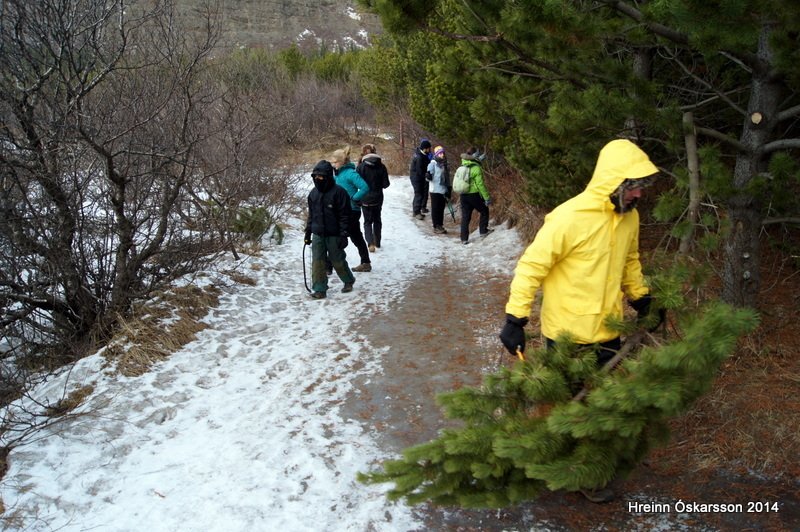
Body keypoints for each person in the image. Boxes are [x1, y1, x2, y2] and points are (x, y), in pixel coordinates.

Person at [498, 139, 663, 503]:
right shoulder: (569, 218)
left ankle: (591, 466)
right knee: (570, 406)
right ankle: (571, 468)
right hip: (568, 334)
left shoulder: (628, 218)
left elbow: (630, 260)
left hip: (608, 330)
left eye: (640, 187)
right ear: (615, 183)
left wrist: (641, 298)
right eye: (633, 186)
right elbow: (531, 267)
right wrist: (515, 318)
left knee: (599, 404)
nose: (638, 194)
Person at [304, 160, 356, 299]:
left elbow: (345, 216)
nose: (318, 179)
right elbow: (311, 215)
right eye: (315, 176)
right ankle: (320, 289)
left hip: (334, 234)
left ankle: (348, 280)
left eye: (321, 176)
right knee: (317, 262)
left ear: (328, 176)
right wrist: (308, 232)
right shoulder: (313, 194)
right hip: (318, 234)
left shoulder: (339, 193)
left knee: (337, 260)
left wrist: (344, 234)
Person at [331, 146, 372, 272]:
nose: (333, 164)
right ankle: (365, 262)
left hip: (351, 211)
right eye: (332, 162)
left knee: (340, 237)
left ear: (342, 161)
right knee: (356, 237)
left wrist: (354, 198)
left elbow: (365, 187)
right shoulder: (337, 175)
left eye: (335, 162)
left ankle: (330, 265)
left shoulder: (350, 173)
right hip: (341, 211)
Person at [356, 143, 391, 252]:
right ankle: (378, 242)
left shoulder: (360, 167)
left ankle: (370, 243)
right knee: (377, 220)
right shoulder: (381, 166)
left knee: (367, 221)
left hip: (365, 198)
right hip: (378, 198)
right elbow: (386, 184)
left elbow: (356, 184)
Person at [458, 147, 492, 244]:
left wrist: (479, 160)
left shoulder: (462, 165)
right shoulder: (476, 168)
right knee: (484, 210)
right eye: (478, 154)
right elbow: (480, 185)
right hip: (473, 195)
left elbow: (473, 163)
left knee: (465, 216)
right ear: (475, 156)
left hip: (463, 195)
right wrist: (487, 198)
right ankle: (483, 231)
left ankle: (464, 239)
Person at [426, 145, 451, 234]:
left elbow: (447, 178)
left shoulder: (445, 164)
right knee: (436, 208)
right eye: (440, 153)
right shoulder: (432, 164)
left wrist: (449, 189)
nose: (442, 155)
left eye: (443, 153)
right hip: (435, 190)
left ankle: (440, 225)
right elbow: (428, 177)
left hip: (443, 190)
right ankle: (436, 226)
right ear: (436, 154)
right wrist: (428, 176)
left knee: (441, 208)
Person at [409, 139, 432, 219]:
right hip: (416, 178)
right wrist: (426, 176)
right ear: (425, 148)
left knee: (420, 194)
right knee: (419, 194)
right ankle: (416, 212)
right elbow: (420, 171)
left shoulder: (422, 155)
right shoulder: (419, 157)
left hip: (419, 177)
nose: (430, 150)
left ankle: (417, 211)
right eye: (429, 148)